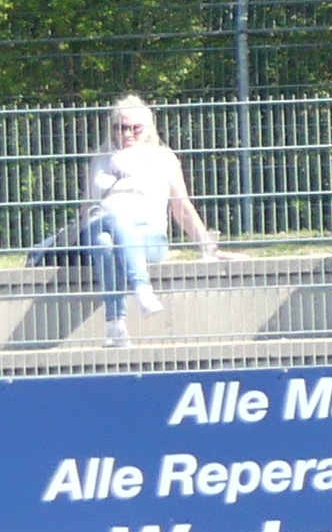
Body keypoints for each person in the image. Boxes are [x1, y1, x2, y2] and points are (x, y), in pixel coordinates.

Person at [46, 95, 220, 350]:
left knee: (107, 239)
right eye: (120, 127)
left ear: (148, 128)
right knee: (106, 227)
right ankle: (139, 292)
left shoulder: (163, 157)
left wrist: (208, 247)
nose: (126, 133)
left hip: (147, 236)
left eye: (134, 128)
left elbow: (181, 207)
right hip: (99, 223)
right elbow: (88, 205)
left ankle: (116, 321)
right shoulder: (101, 158)